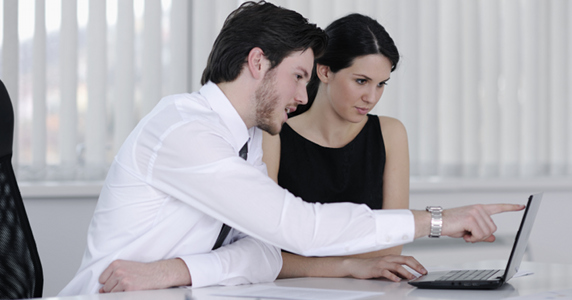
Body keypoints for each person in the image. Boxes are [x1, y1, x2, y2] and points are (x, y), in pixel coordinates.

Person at [59, 1, 524, 295]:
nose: (303, 97)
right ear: (258, 63)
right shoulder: (184, 130)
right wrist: (439, 221)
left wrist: (172, 270)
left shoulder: (250, 138)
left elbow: (265, 253)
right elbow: (298, 228)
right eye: (299, 77)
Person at [262, 13, 418, 283]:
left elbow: (390, 249)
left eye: (381, 84)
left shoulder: (390, 134)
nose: (371, 97)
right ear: (324, 71)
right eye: (361, 81)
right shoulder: (274, 135)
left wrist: (327, 264)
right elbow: (264, 255)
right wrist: (350, 265)